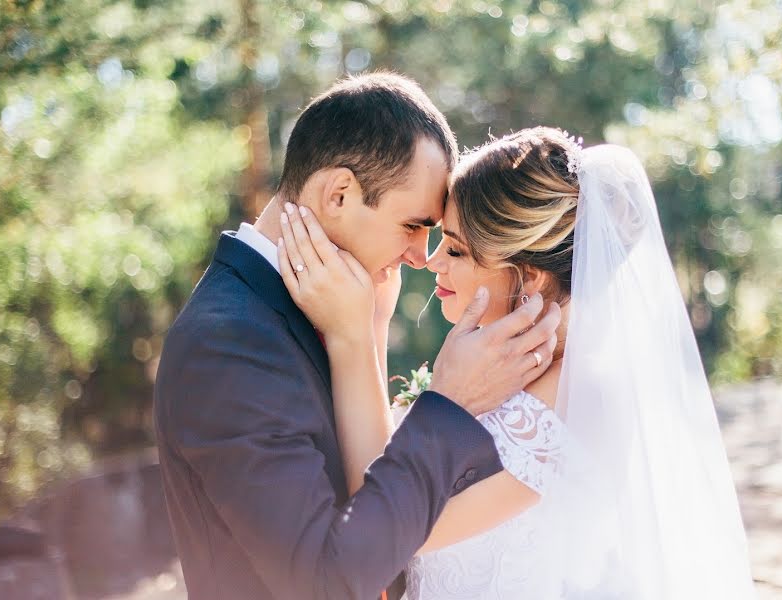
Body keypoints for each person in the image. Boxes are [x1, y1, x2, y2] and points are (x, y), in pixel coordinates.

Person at [279, 126, 757, 599]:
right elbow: (391, 479)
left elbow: (388, 528)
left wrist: (356, 337)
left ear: (528, 275)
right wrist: (378, 322)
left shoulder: (580, 396)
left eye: (458, 248)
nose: (432, 262)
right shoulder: (503, 371)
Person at [152, 74, 560, 600]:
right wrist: (448, 405)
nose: (420, 256)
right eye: (412, 225)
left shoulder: (308, 313)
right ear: (338, 193)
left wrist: (366, 333)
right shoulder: (229, 344)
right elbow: (326, 582)